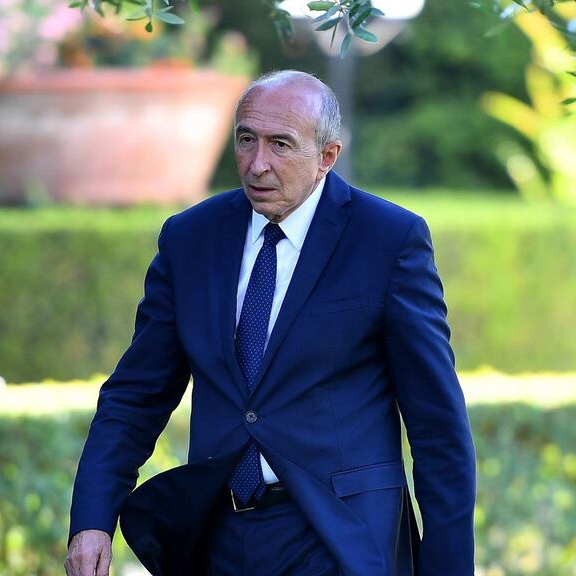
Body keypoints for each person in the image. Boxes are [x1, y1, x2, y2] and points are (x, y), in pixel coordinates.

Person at [64, 70, 476, 576]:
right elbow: (135, 396)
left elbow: (438, 427)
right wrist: (92, 520)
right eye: (246, 140)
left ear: (327, 156)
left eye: (280, 144)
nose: (257, 164)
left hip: (341, 541)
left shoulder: (388, 240)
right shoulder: (189, 239)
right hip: (218, 537)